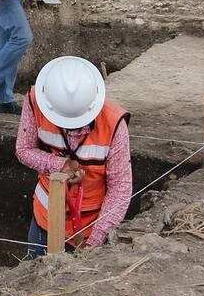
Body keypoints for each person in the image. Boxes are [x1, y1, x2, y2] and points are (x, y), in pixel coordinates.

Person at [16, 56, 132, 259]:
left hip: (90, 228)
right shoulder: (36, 100)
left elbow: (120, 188)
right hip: (45, 220)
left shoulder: (113, 124)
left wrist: (94, 242)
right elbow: (24, 150)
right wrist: (60, 165)